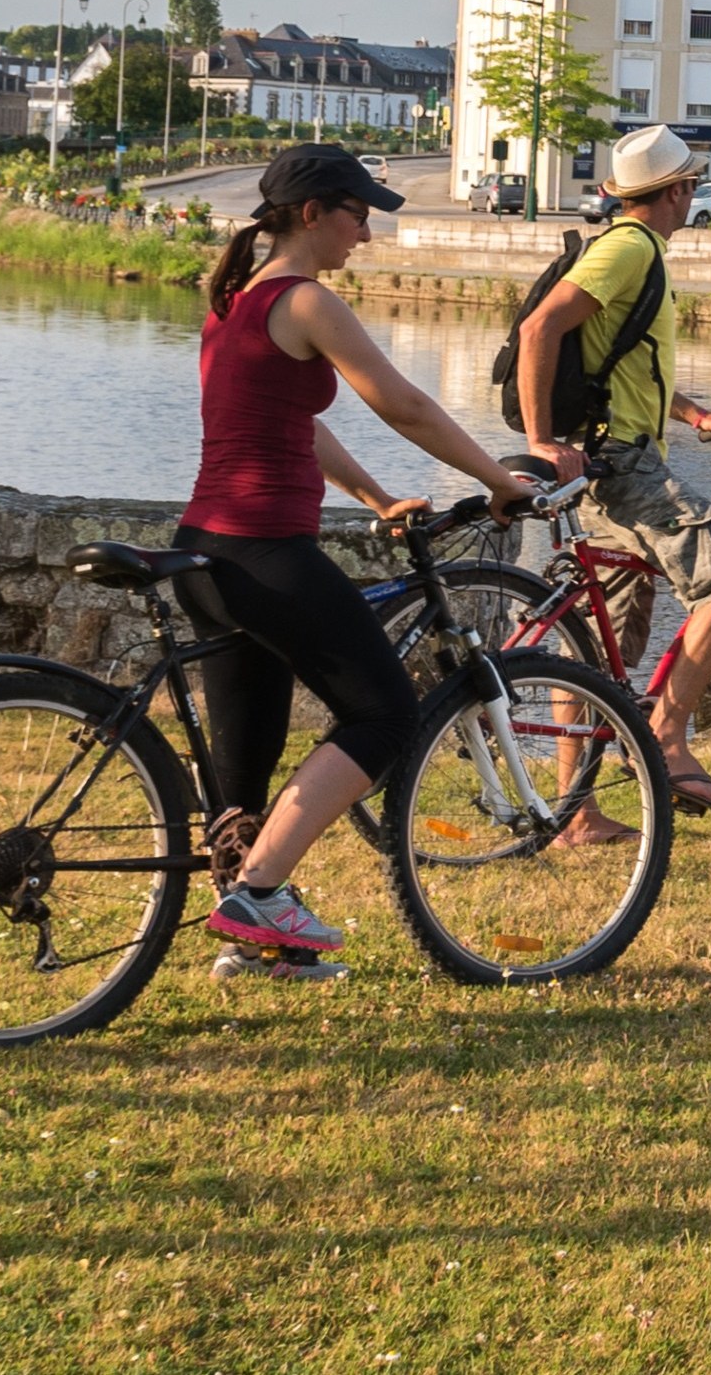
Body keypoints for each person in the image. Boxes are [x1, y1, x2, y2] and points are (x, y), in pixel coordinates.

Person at [183, 143, 532, 980]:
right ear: (313, 213)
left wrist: (376, 498)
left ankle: (261, 933)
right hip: (264, 548)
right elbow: (404, 404)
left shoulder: (236, 300)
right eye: (357, 212)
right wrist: (499, 481)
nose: (366, 233)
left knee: (248, 763)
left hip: (204, 549)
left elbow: (291, 423)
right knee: (385, 713)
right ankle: (261, 894)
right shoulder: (306, 299)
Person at [513, 124, 711, 816]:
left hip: (615, 454)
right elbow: (541, 329)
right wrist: (541, 438)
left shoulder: (629, 249)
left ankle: (575, 813)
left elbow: (621, 363)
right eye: (692, 184)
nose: (695, 196)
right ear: (678, 190)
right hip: (620, 463)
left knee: (596, 644)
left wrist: (695, 416)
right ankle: (667, 731)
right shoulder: (630, 249)